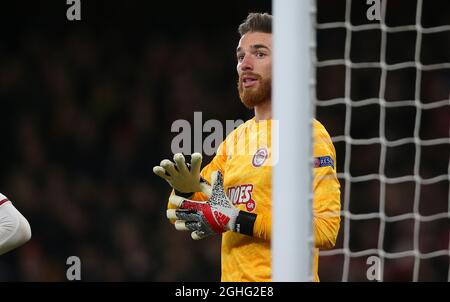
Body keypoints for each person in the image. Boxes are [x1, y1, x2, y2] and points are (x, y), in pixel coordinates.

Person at [153, 12, 340, 282]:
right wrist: (184, 189)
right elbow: (180, 214)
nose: (245, 64)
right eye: (241, 57)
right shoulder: (235, 141)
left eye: (259, 54)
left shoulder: (308, 134)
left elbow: (325, 230)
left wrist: (238, 220)